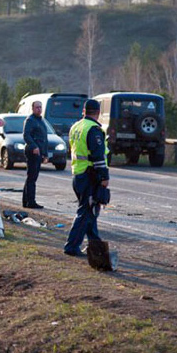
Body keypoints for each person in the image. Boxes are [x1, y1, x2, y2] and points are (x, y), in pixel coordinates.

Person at [64, 99, 110, 257]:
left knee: (91, 212)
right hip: (89, 175)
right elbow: (98, 156)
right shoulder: (94, 129)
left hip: (77, 173)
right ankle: (71, 246)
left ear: (83, 111)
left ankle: (96, 247)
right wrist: (104, 177)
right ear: (98, 113)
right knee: (85, 212)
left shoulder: (76, 127)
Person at [22, 101, 49, 209]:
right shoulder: (30, 120)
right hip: (32, 151)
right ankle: (30, 202)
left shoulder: (41, 121)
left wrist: (45, 154)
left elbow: (44, 138)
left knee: (32, 177)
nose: (39, 109)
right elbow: (26, 135)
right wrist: (33, 146)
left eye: (40, 107)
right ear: (32, 108)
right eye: (37, 107)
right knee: (31, 177)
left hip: (39, 152)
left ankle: (26, 201)